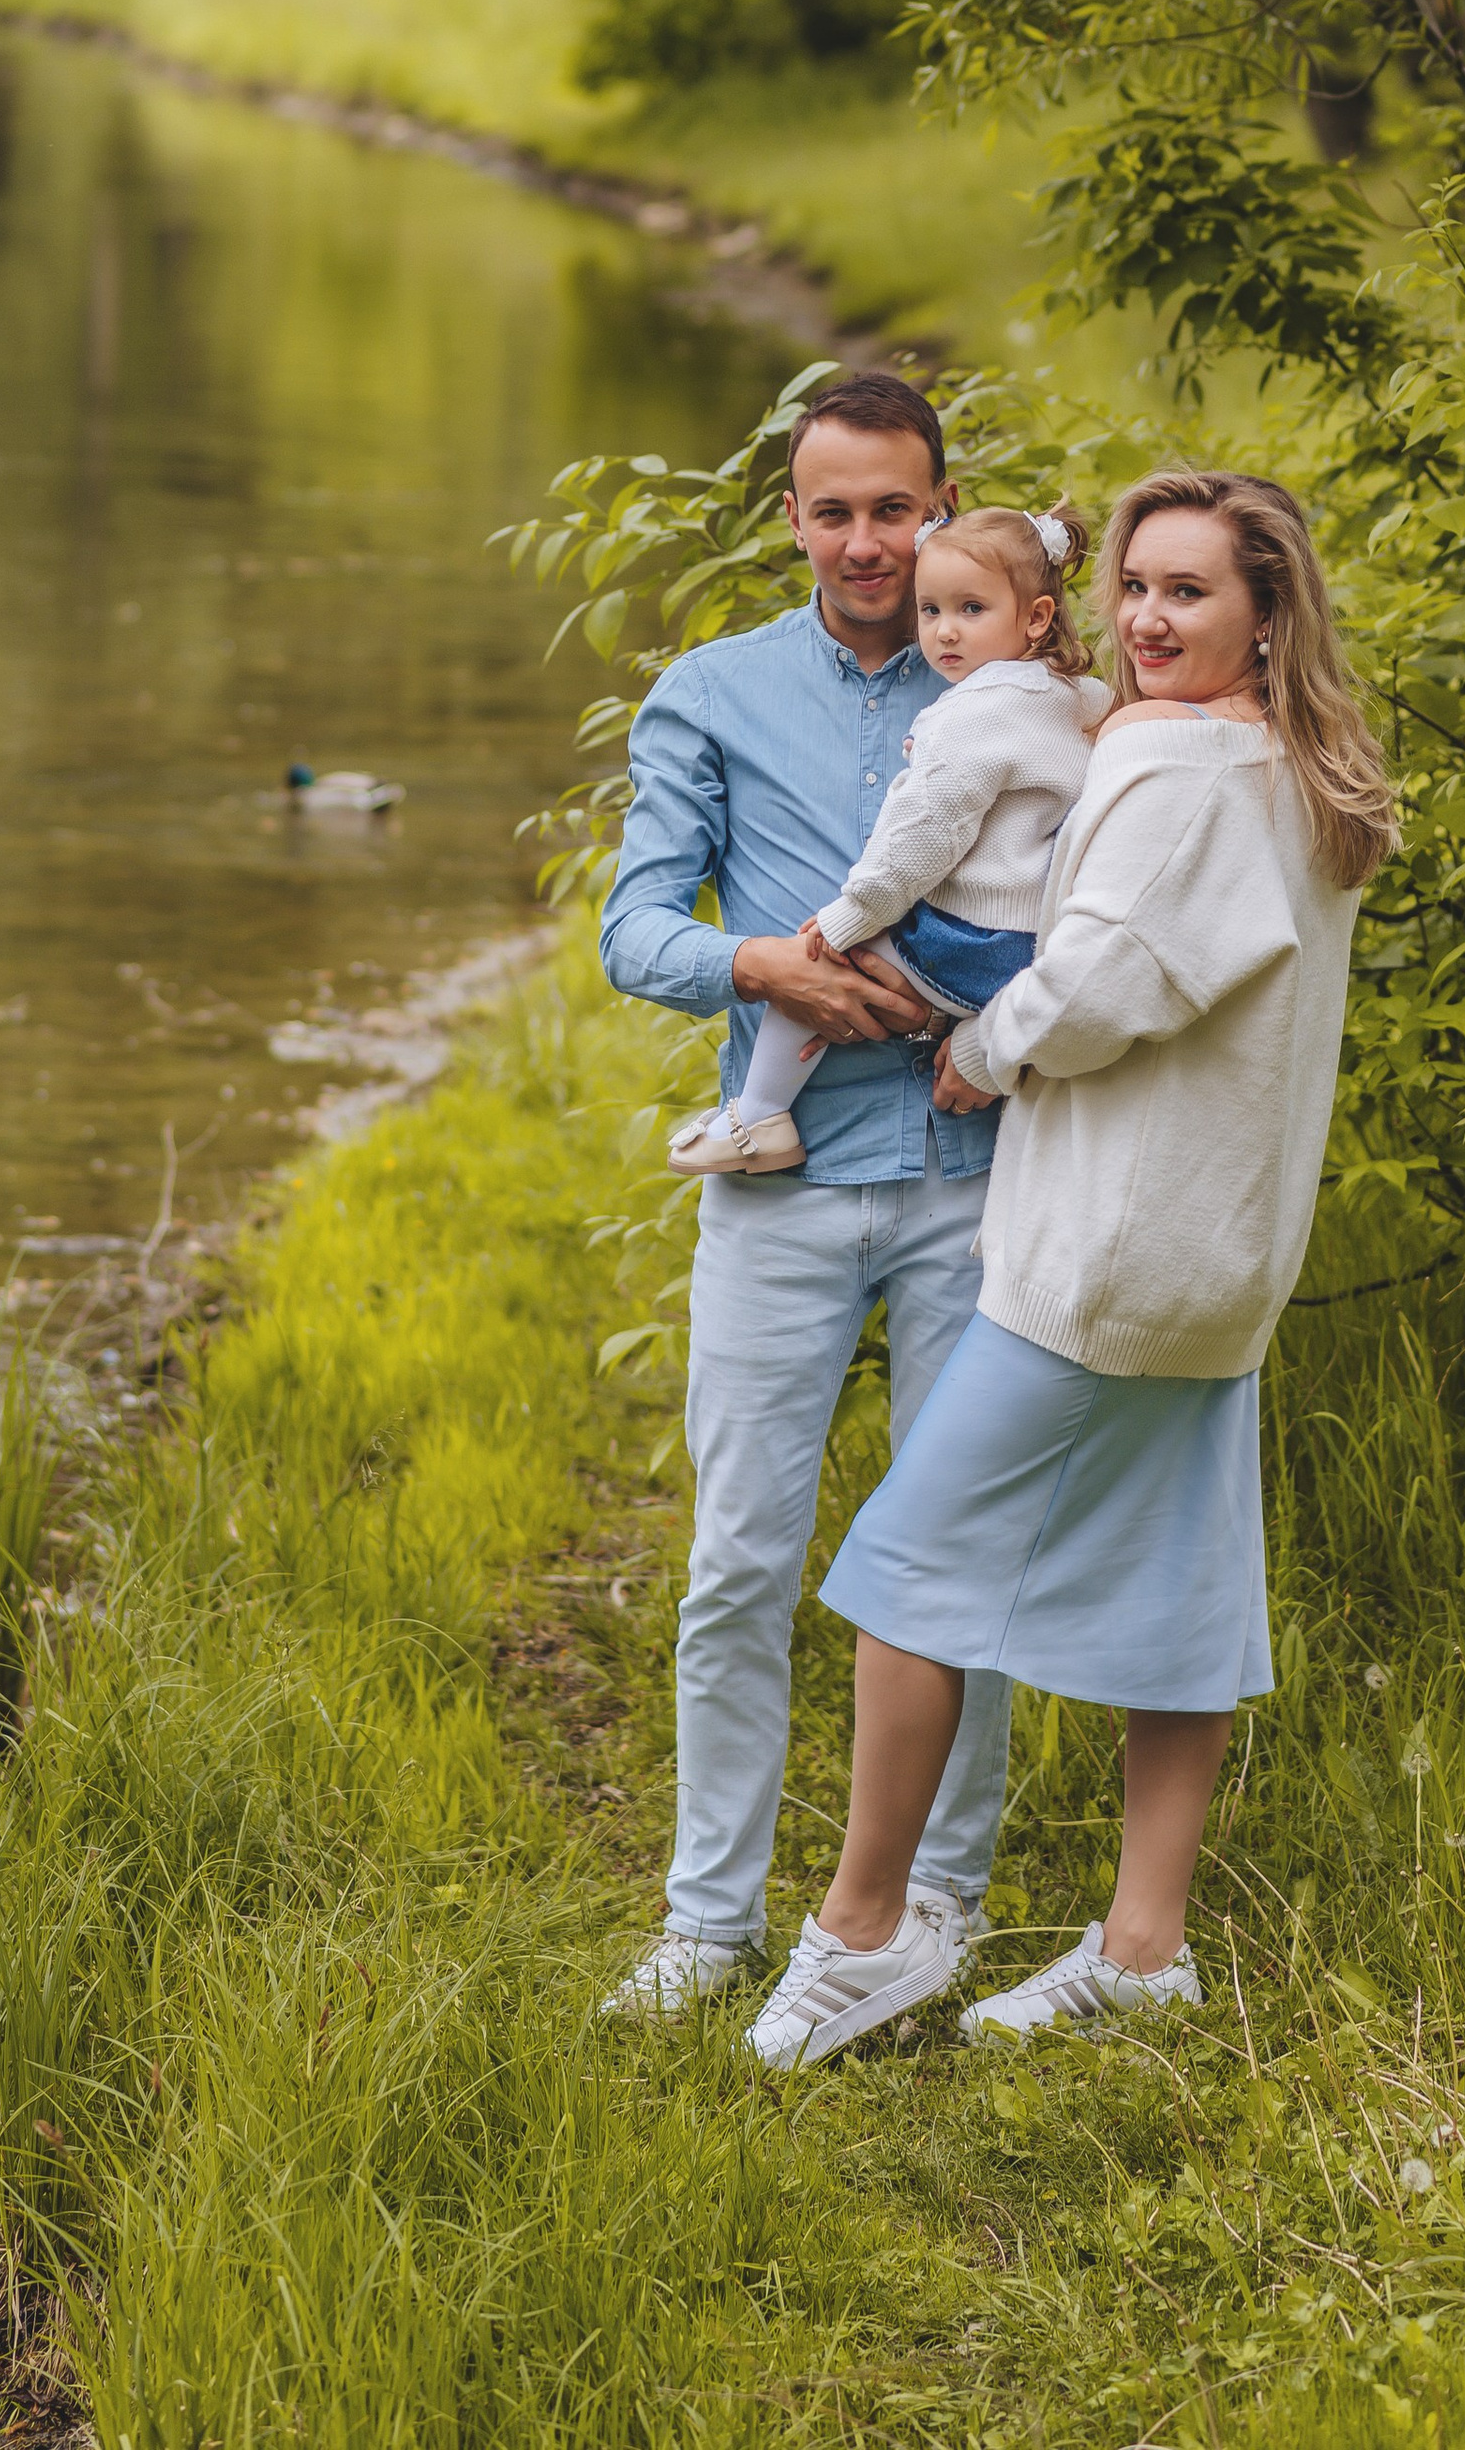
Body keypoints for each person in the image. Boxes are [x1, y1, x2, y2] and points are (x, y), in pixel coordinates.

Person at [740, 467, 1399, 2069]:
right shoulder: (1296, 774)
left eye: (1190, 593)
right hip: (1220, 1255)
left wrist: (985, 1049)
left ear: (1265, 614)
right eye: (1135, 588)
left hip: (1110, 1254)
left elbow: (1107, 976)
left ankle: (863, 1932)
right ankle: (1143, 1950)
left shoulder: (1179, 774)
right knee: (1182, 1584)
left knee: (903, 1571)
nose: (1150, 620)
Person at [596, 369, 1013, 2013]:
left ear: (939, 504)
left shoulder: (1009, 681)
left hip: (975, 1181)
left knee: (957, 1557)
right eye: (831, 509)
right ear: (789, 515)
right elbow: (634, 929)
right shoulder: (710, 692)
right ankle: (710, 1925)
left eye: (893, 509)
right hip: (778, 1191)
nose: (863, 542)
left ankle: (938, 1904)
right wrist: (763, 962)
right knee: (741, 1559)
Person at [667, 501, 1109, 1175]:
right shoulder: (1077, 698)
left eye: (971, 610)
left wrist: (853, 916)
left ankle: (758, 1115)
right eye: (930, 611)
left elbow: (921, 839)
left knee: (812, 963)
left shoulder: (972, 713)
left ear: (1037, 616)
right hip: (1032, 950)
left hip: (969, 943)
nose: (946, 634)